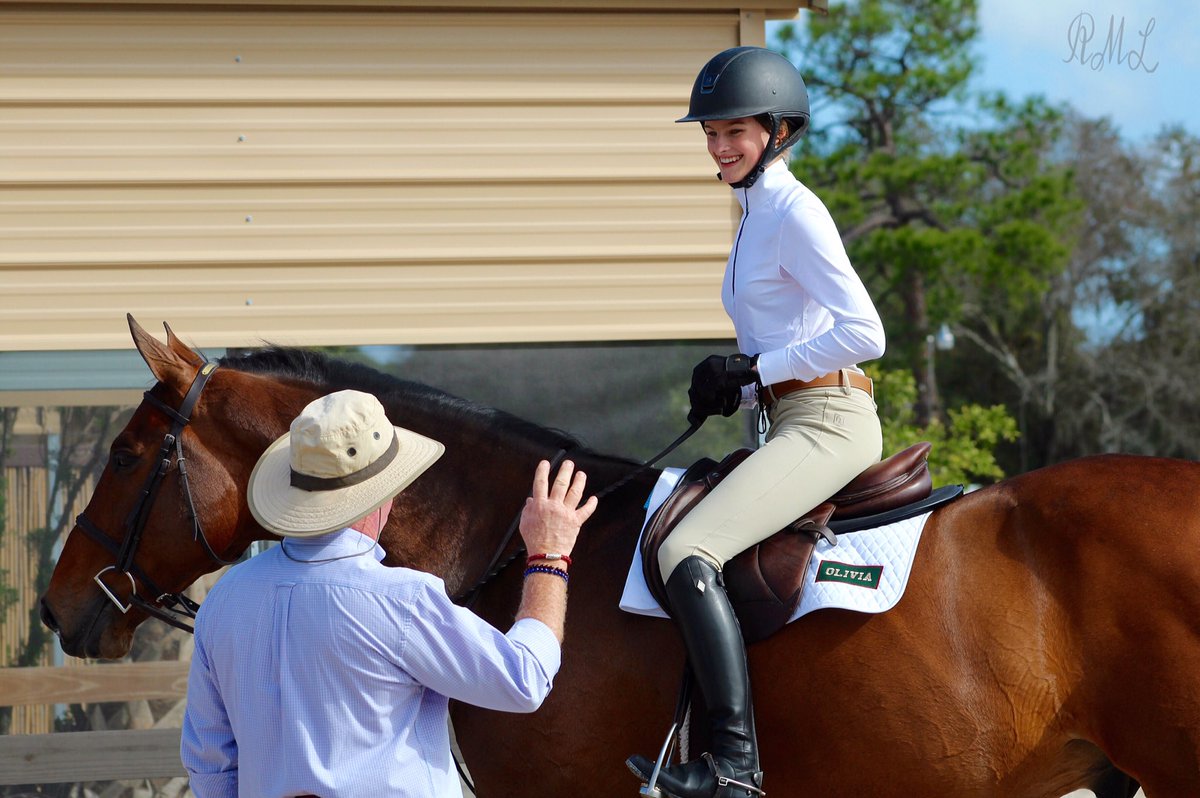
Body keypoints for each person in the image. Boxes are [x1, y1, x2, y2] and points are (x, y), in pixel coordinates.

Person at [626, 47, 885, 798]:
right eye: (709, 133)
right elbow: (780, 345)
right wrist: (736, 391)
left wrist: (759, 372)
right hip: (789, 413)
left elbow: (865, 333)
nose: (717, 146)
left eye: (732, 131)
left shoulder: (795, 212)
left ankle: (734, 768)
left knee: (688, 549)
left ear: (776, 129)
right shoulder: (753, 214)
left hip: (830, 419)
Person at [181, 389, 597, 797]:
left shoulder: (225, 598)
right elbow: (524, 678)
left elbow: (210, 765)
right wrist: (549, 553)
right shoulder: (402, 601)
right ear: (386, 493)